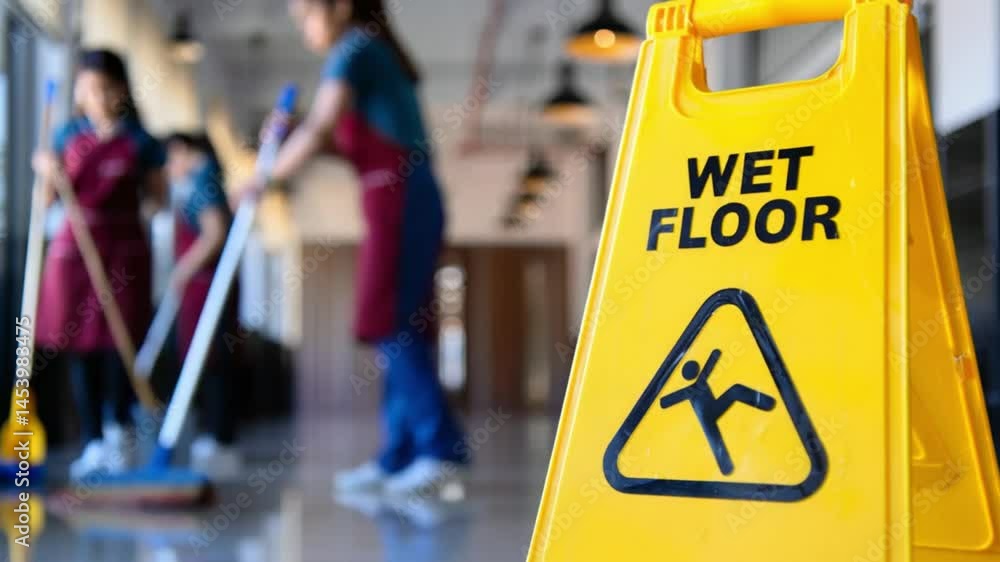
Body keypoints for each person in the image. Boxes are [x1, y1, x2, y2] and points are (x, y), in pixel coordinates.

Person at [239, 0, 466, 495]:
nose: (304, 30)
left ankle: (439, 450)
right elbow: (338, 142)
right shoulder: (371, 51)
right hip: (401, 197)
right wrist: (292, 135)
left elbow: (321, 126)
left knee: (388, 321)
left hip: (400, 198)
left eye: (306, 16)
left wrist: (265, 179)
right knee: (402, 326)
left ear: (340, 7)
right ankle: (398, 456)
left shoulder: (354, 48)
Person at [32, 49, 167, 479]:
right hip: (75, 251)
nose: (97, 97)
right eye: (88, 88)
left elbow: (158, 201)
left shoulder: (142, 142)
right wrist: (46, 173)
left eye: (106, 88)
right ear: (77, 92)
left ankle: (119, 431)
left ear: (121, 90)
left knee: (120, 342)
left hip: (124, 250)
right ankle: (92, 440)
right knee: (81, 342)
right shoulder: (64, 137)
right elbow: (45, 203)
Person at [164, 132, 242, 478]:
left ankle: (218, 438)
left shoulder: (202, 183)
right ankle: (215, 435)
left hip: (207, 287)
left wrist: (182, 269)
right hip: (205, 287)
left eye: (170, 159)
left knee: (211, 360)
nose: (169, 168)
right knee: (209, 359)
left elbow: (214, 232)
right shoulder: (205, 181)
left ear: (184, 151)